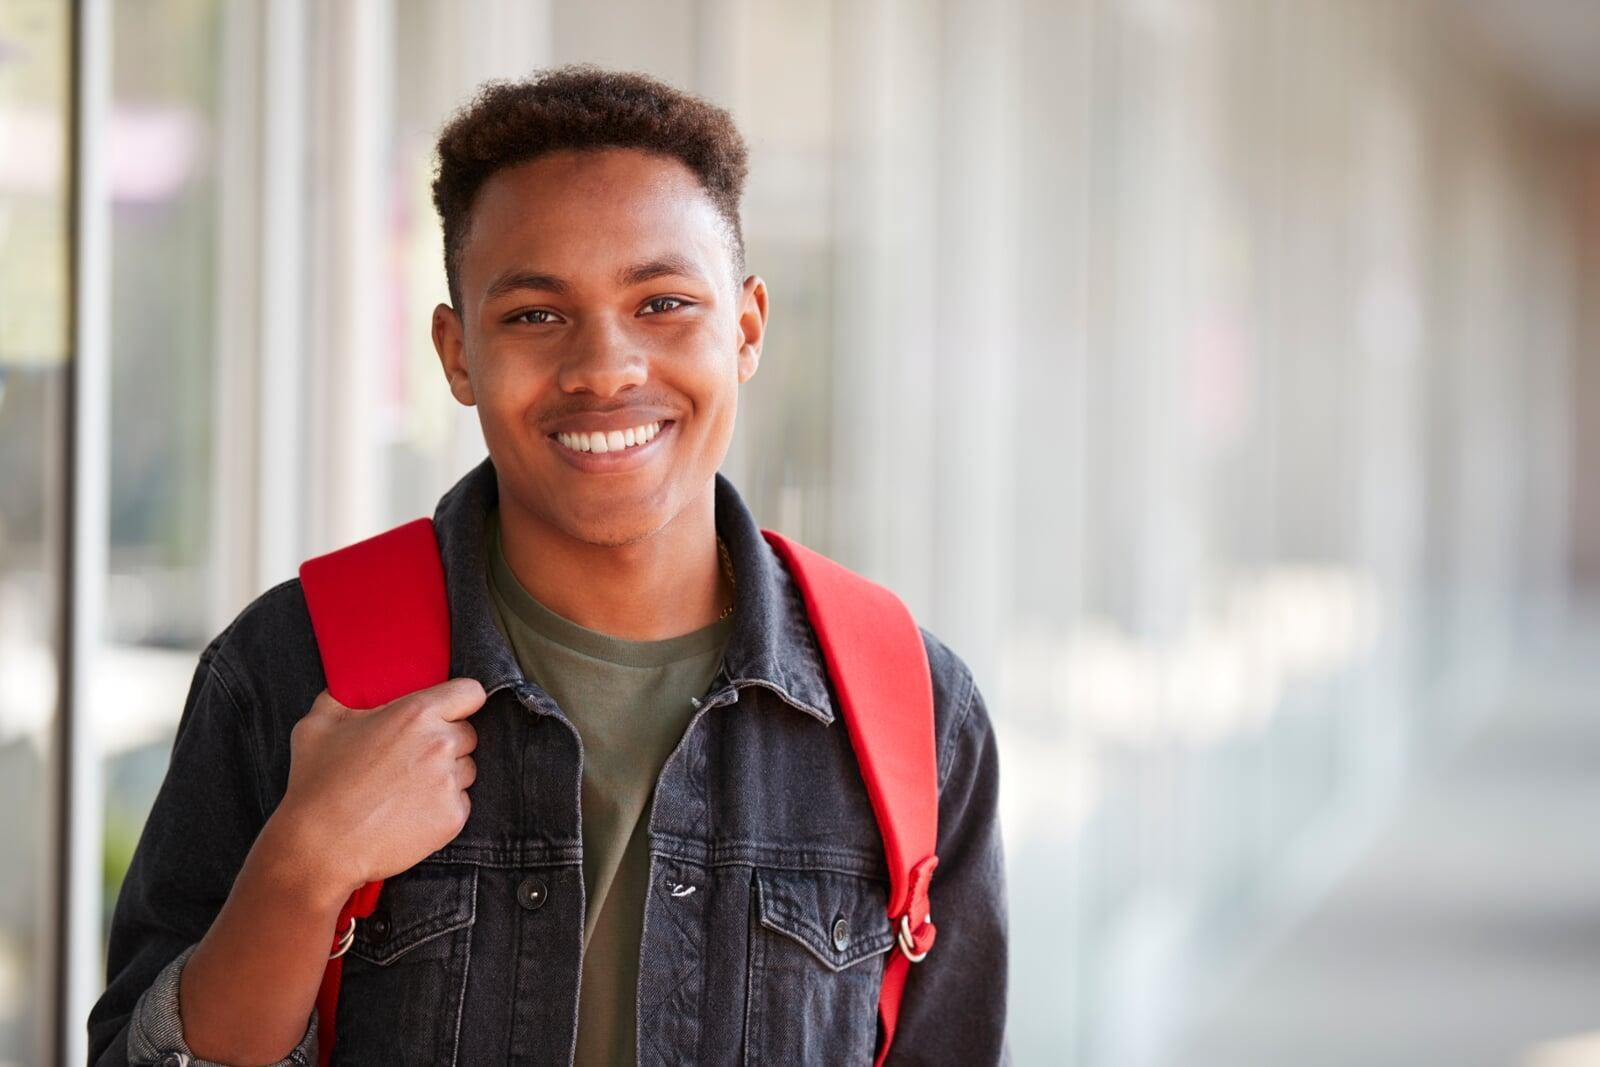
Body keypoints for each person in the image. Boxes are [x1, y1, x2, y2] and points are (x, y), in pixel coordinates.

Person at [87, 63, 1009, 1066]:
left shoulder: (908, 708)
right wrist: (306, 864)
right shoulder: (293, 670)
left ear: (744, 327)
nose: (604, 367)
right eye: (534, 314)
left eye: (662, 302)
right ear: (456, 353)